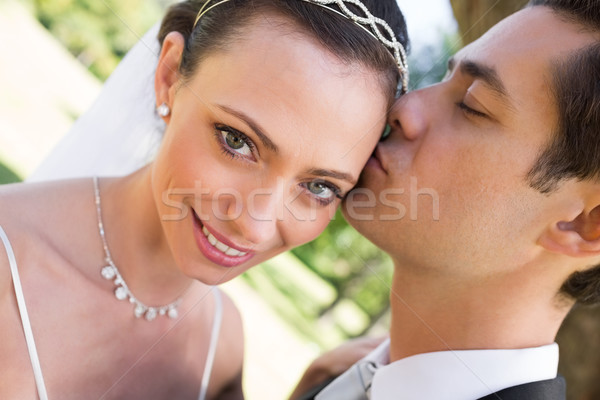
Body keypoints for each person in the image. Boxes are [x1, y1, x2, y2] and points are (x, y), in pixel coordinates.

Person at [0, 1, 410, 399]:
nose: (256, 225)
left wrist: (314, 388)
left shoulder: (222, 349)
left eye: (320, 187)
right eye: (237, 141)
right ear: (169, 76)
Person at [298, 0, 600, 398]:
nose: (403, 107)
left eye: (471, 106)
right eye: (445, 77)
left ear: (582, 225)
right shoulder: (342, 376)